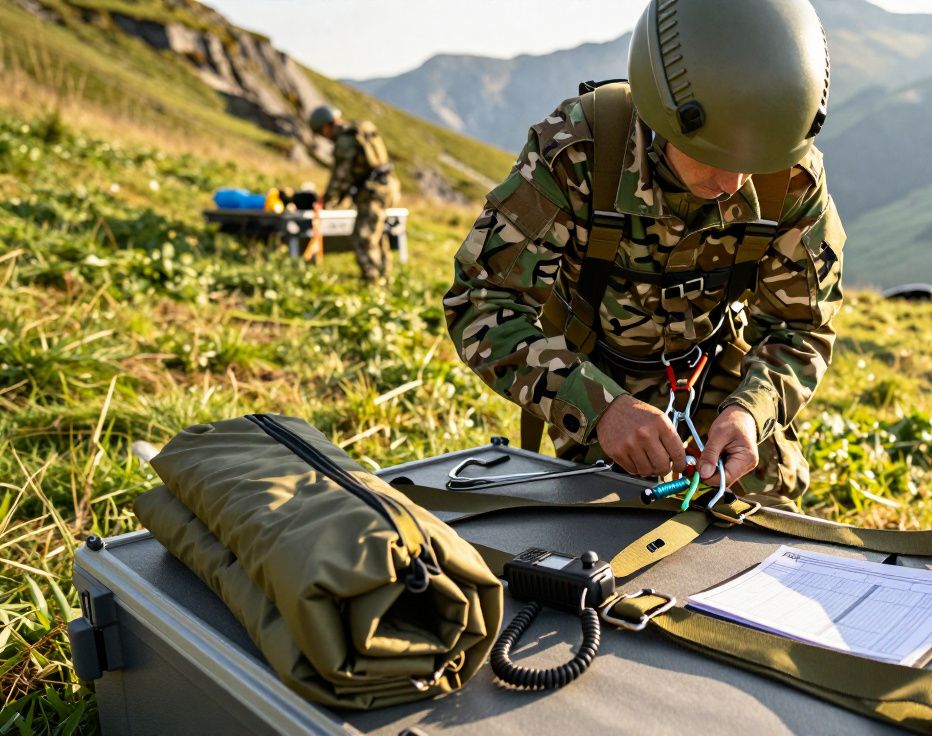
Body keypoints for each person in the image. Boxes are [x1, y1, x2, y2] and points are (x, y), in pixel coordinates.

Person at [443, 0, 842, 508]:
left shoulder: (790, 174)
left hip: (719, 376)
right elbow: (482, 303)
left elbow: (801, 326)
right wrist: (600, 409)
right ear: (665, 113)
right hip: (596, 379)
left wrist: (751, 410)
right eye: (712, 156)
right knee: (604, 533)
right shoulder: (579, 152)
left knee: (767, 526)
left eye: (753, 164)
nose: (734, 183)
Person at [307, 104, 400, 283]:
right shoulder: (360, 129)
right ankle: (384, 277)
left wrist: (326, 202)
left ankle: (372, 282)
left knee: (363, 238)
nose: (325, 138)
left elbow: (340, 178)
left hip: (372, 192)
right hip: (389, 186)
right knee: (377, 234)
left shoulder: (344, 142)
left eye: (321, 133)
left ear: (325, 127)